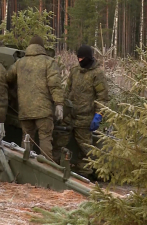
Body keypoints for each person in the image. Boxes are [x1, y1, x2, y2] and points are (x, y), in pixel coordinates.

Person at [7, 35, 64, 161]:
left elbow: (7, 77)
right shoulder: (49, 62)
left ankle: (24, 164)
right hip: (43, 110)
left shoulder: (19, 63)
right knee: (45, 138)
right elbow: (55, 85)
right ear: (42, 48)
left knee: (27, 138)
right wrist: (59, 104)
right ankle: (47, 167)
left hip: (25, 109)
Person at [54, 44, 109, 175]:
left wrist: (99, 114)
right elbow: (67, 91)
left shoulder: (97, 74)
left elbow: (103, 97)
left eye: (82, 58)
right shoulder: (74, 71)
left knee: (85, 150)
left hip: (86, 118)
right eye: (78, 58)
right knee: (59, 143)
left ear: (89, 58)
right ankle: (54, 169)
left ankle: (85, 175)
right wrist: (62, 107)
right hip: (69, 116)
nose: (80, 61)